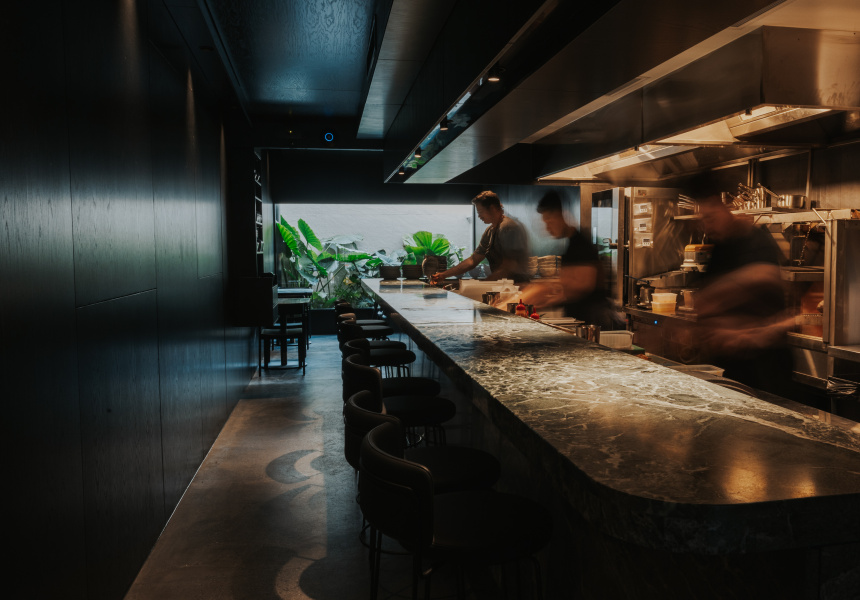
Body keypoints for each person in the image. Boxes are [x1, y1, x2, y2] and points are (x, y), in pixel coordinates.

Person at [694, 194, 794, 397]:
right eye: (702, 221)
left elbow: (764, 276)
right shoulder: (720, 245)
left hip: (764, 367)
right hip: (730, 364)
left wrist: (742, 333)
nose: (707, 227)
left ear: (725, 210)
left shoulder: (756, 240)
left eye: (710, 218)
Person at [516, 191, 623, 330]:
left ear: (561, 215)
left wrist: (537, 294)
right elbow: (567, 287)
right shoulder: (571, 245)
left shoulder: (581, 244)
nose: (547, 228)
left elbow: (581, 285)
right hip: (581, 322)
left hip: (591, 325)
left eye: (549, 221)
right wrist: (542, 301)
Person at [430, 191, 530, 283]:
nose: (479, 216)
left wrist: (484, 284)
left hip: (518, 286)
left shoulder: (508, 227)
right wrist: (444, 275)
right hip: (503, 285)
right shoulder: (490, 231)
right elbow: (473, 260)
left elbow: (509, 266)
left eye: (481, 212)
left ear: (492, 208)